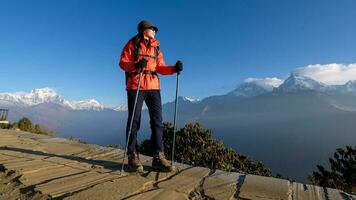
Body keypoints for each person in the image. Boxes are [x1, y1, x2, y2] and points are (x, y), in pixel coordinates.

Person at [119, 20, 183, 172]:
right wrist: (135, 65)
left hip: (153, 86)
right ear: (143, 30)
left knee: (157, 121)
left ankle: (158, 156)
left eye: (155, 29)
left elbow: (160, 67)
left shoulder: (156, 48)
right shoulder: (132, 44)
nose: (154, 31)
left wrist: (174, 68)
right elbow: (122, 63)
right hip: (136, 85)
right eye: (152, 29)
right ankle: (132, 155)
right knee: (134, 120)